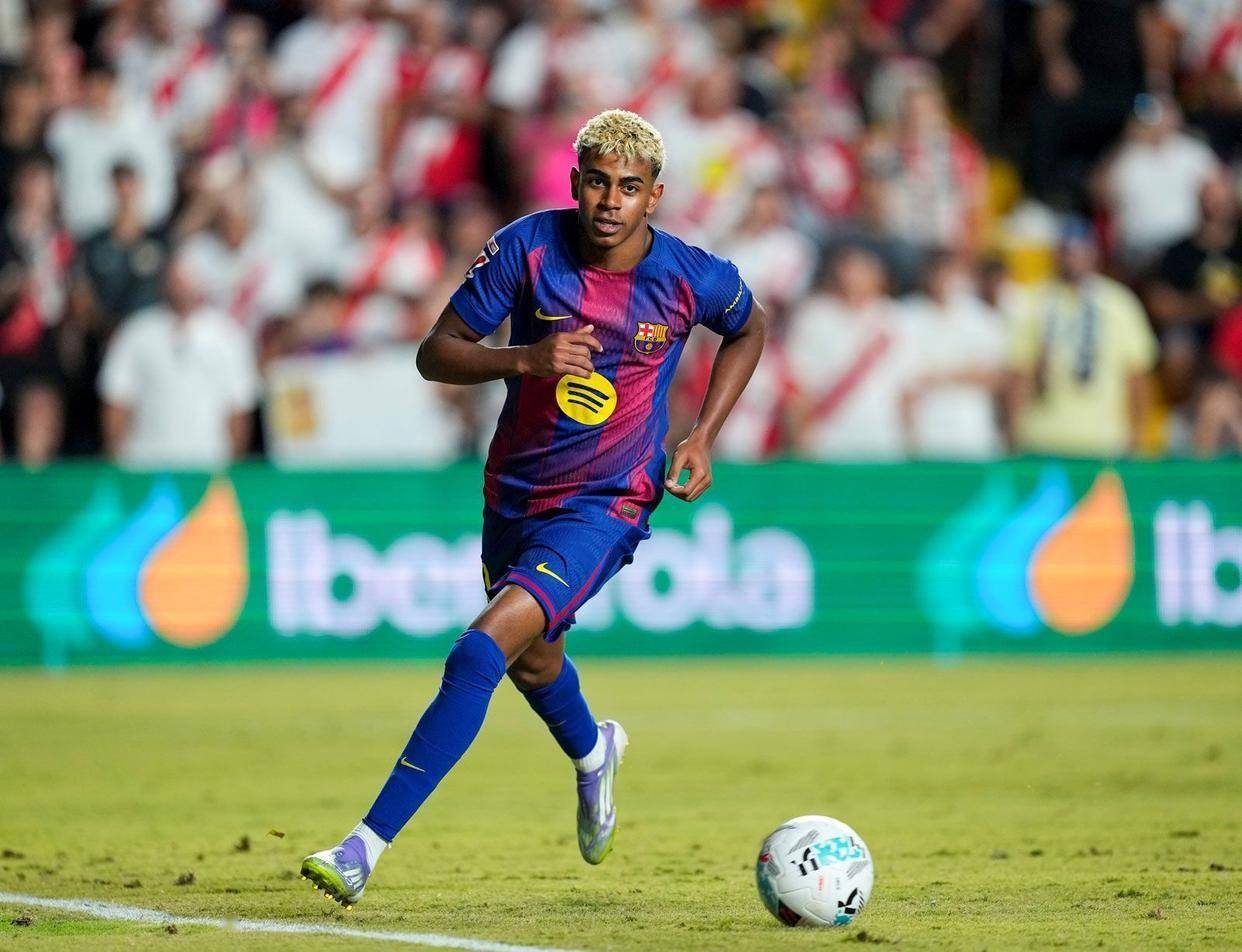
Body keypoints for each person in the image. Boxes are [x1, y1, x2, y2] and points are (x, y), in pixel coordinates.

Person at [299, 108, 768, 906]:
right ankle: (594, 752)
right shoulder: (527, 248)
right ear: (575, 182)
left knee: (479, 651)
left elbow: (749, 328)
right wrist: (526, 358)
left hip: (607, 501)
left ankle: (361, 848)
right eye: (598, 183)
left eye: (629, 187)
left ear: (654, 196)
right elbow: (435, 353)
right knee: (535, 660)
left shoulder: (691, 275)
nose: (611, 201)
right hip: (514, 492)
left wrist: (702, 435)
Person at [1008, 218, 1158, 457]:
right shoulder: (1036, 301)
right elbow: (1019, 373)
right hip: (1044, 439)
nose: (1072, 258)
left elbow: (1138, 374)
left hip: (1104, 442)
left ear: (1093, 254)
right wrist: (1014, 435)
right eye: (1067, 251)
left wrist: (1137, 438)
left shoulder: (1118, 303)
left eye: (1080, 251)